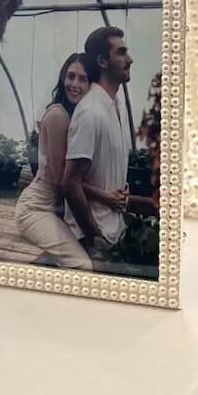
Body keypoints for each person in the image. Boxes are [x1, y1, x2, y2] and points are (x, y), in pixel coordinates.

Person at [61, 25, 138, 261]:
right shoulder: (89, 112)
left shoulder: (117, 106)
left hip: (115, 232)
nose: (130, 59)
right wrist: (95, 239)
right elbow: (70, 183)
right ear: (103, 61)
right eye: (121, 53)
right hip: (93, 240)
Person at [12, 53, 96, 269]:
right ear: (62, 78)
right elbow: (62, 180)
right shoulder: (59, 115)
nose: (75, 84)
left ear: (91, 85)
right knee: (82, 264)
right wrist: (106, 196)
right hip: (36, 209)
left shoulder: (80, 117)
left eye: (83, 79)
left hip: (55, 209)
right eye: (71, 76)